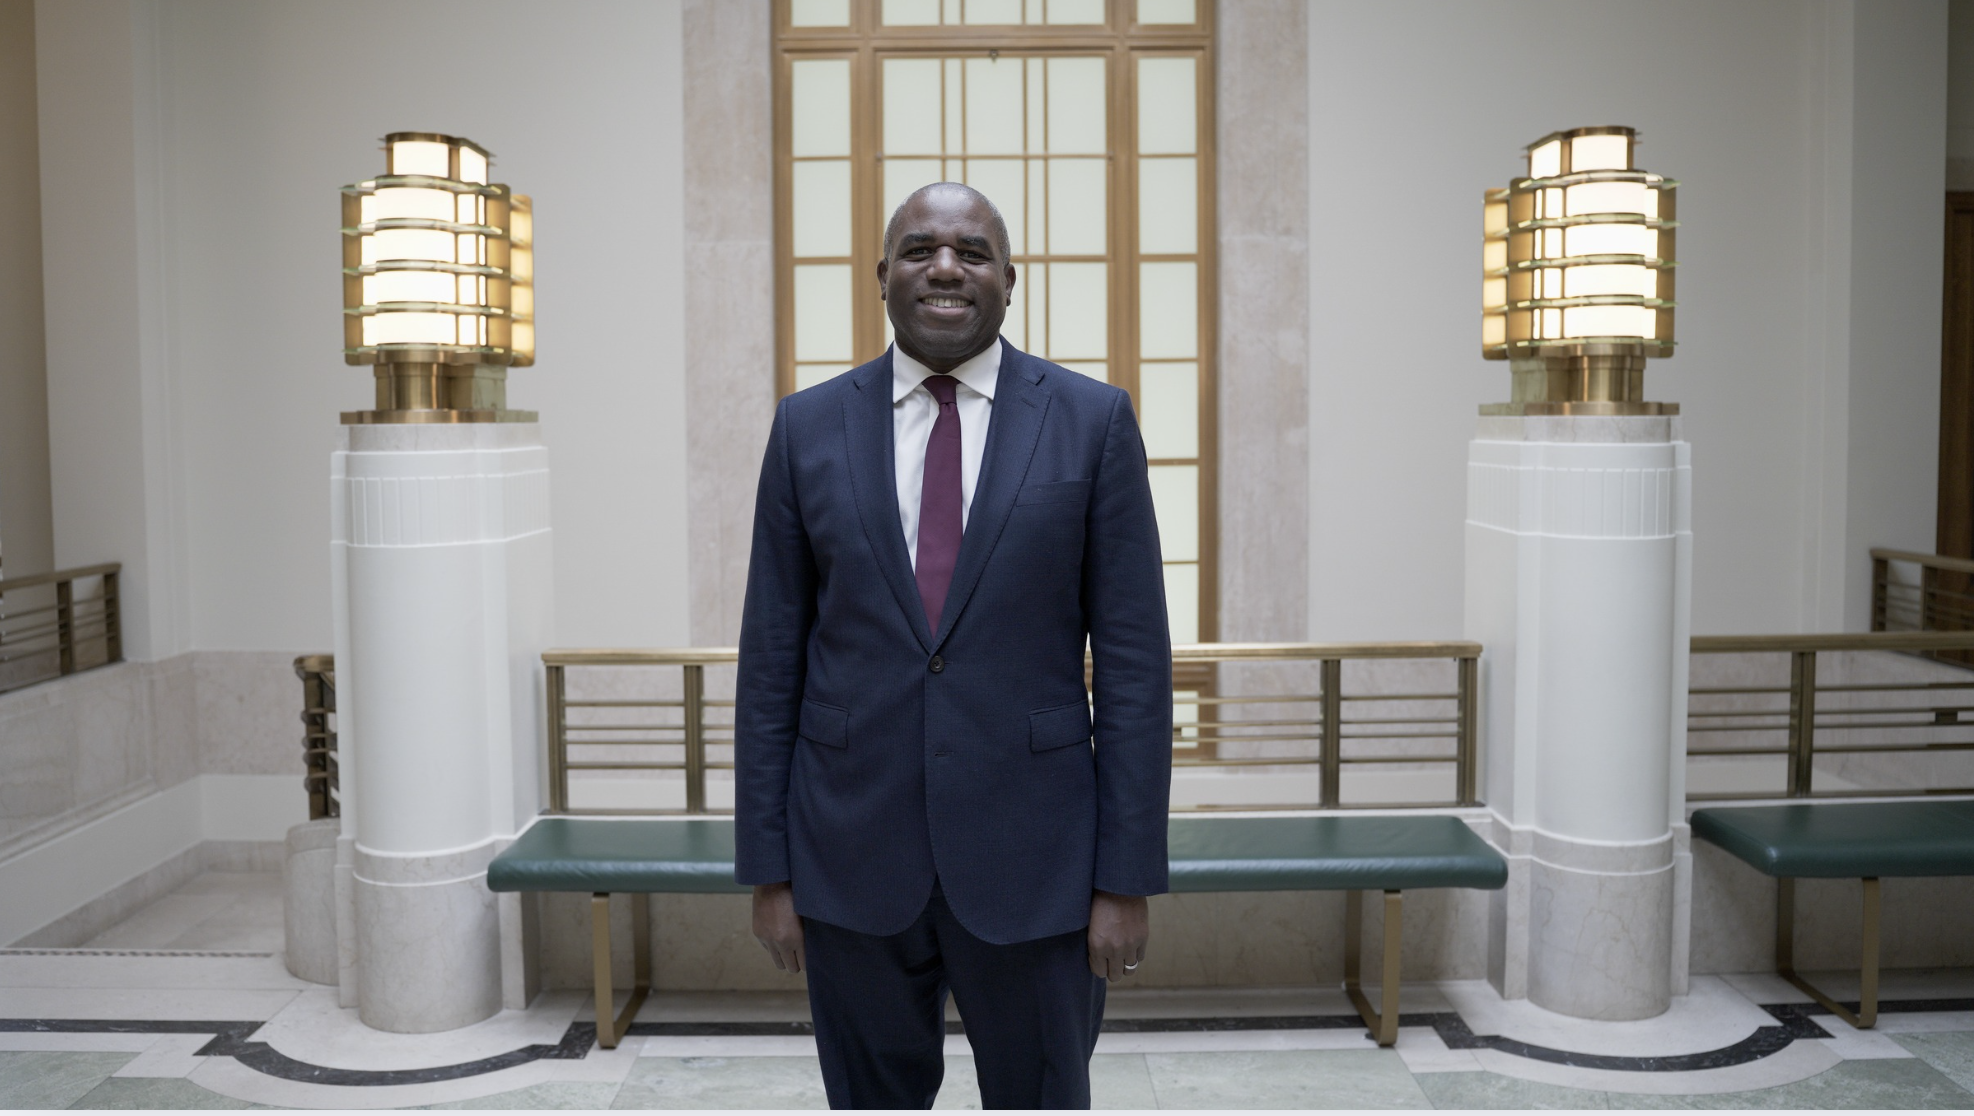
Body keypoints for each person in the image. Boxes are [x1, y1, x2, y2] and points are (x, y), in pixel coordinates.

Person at [734, 181, 1173, 1110]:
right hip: (849, 859)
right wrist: (770, 872)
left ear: (1011, 281)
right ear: (881, 277)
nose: (945, 267)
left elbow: (1135, 669)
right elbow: (772, 662)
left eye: (972, 251)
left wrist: (1125, 881)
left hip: (1039, 864)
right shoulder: (806, 428)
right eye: (919, 248)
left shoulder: (1092, 423)